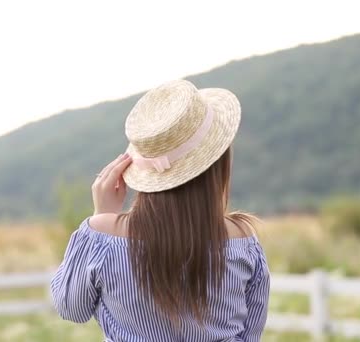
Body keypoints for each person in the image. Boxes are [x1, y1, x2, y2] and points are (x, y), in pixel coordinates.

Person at [51, 80, 270, 341]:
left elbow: (71, 308)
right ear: (218, 163)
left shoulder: (102, 236)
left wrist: (102, 216)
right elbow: (251, 334)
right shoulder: (242, 237)